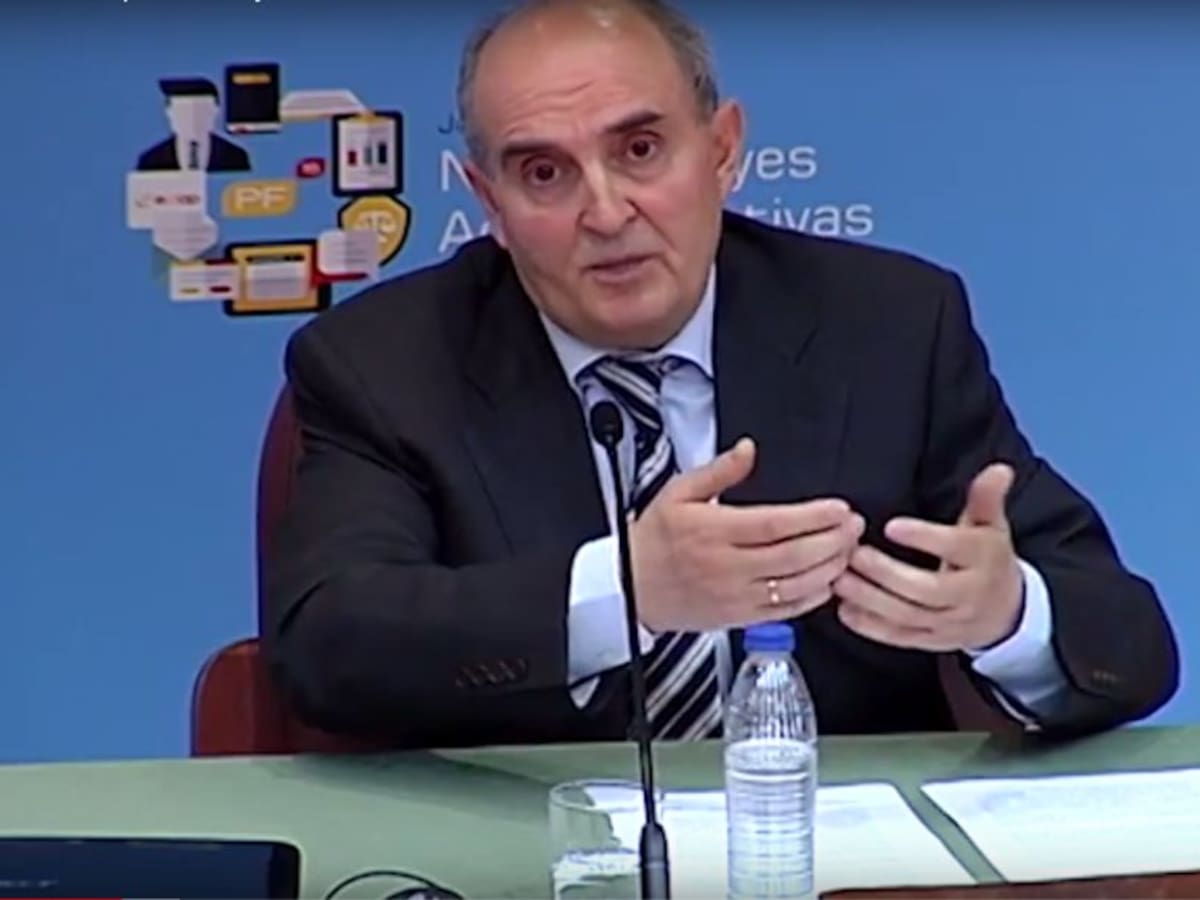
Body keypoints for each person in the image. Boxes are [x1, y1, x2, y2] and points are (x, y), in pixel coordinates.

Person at [262, 0, 1178, 750]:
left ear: (723, 149)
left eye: (640, 150)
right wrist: (623, 592)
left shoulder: (888, 326)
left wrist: (1006, 614)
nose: (605, 212)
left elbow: (1129, 641)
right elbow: (328, 643)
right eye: (544, 172)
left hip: (833, 856)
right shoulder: (383, 362)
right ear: (489, 203)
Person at [137, 77, 251, 173]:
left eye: (201, 110)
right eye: (183, 111)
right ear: (169, 112)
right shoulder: (150, 160)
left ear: (215, 111)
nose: (192, 118)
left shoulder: (235, 156)